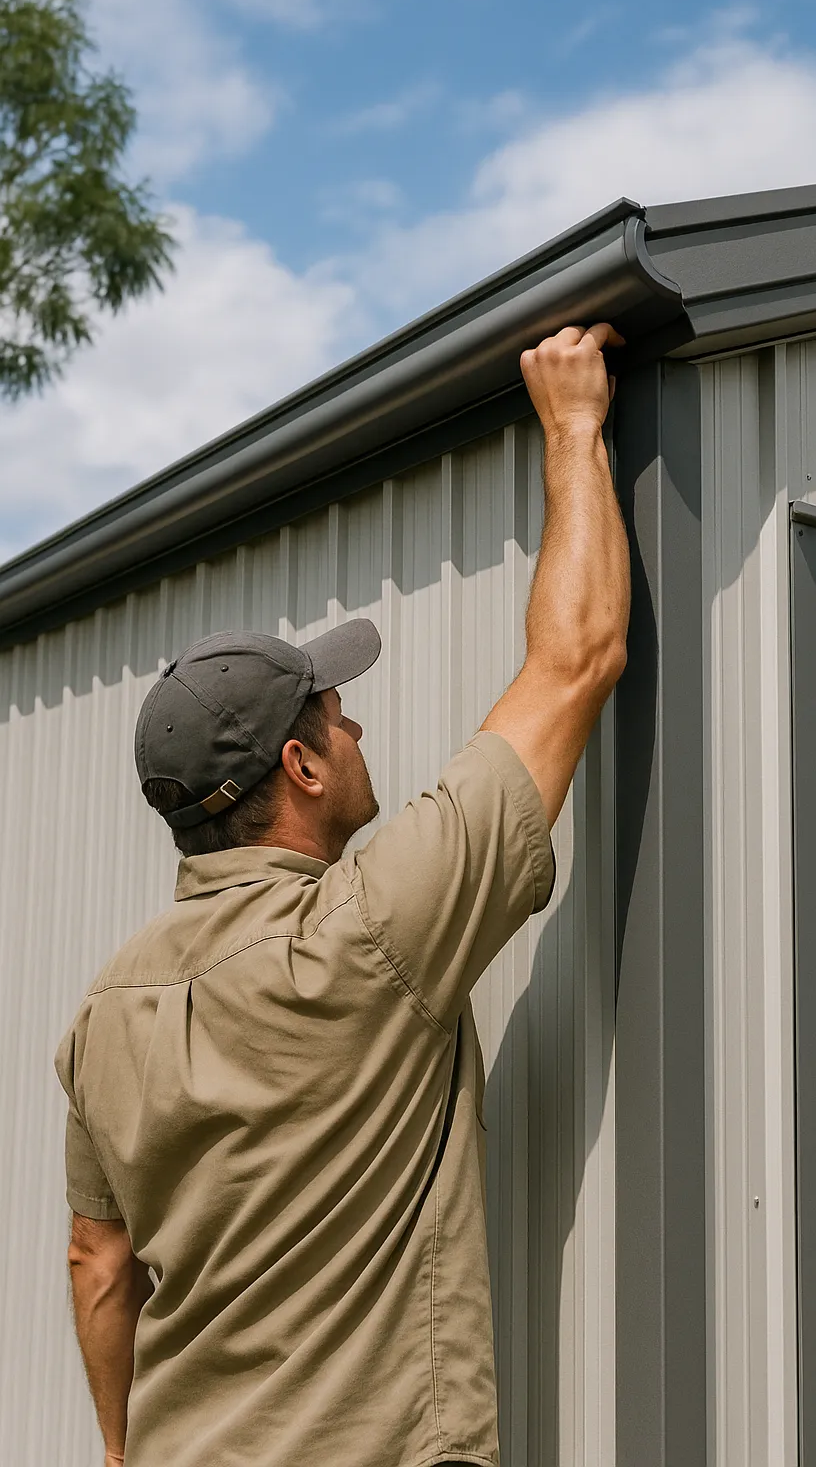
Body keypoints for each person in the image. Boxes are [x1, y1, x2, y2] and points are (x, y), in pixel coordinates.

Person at [54, 322, 629, 1467]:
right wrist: (572, 428)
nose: (357, 725)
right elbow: (575, 663)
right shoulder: (364, 937)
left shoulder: (102, 1012)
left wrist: (123, 1455)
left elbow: (99, 1263)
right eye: (336, 713)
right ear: (303, 769)